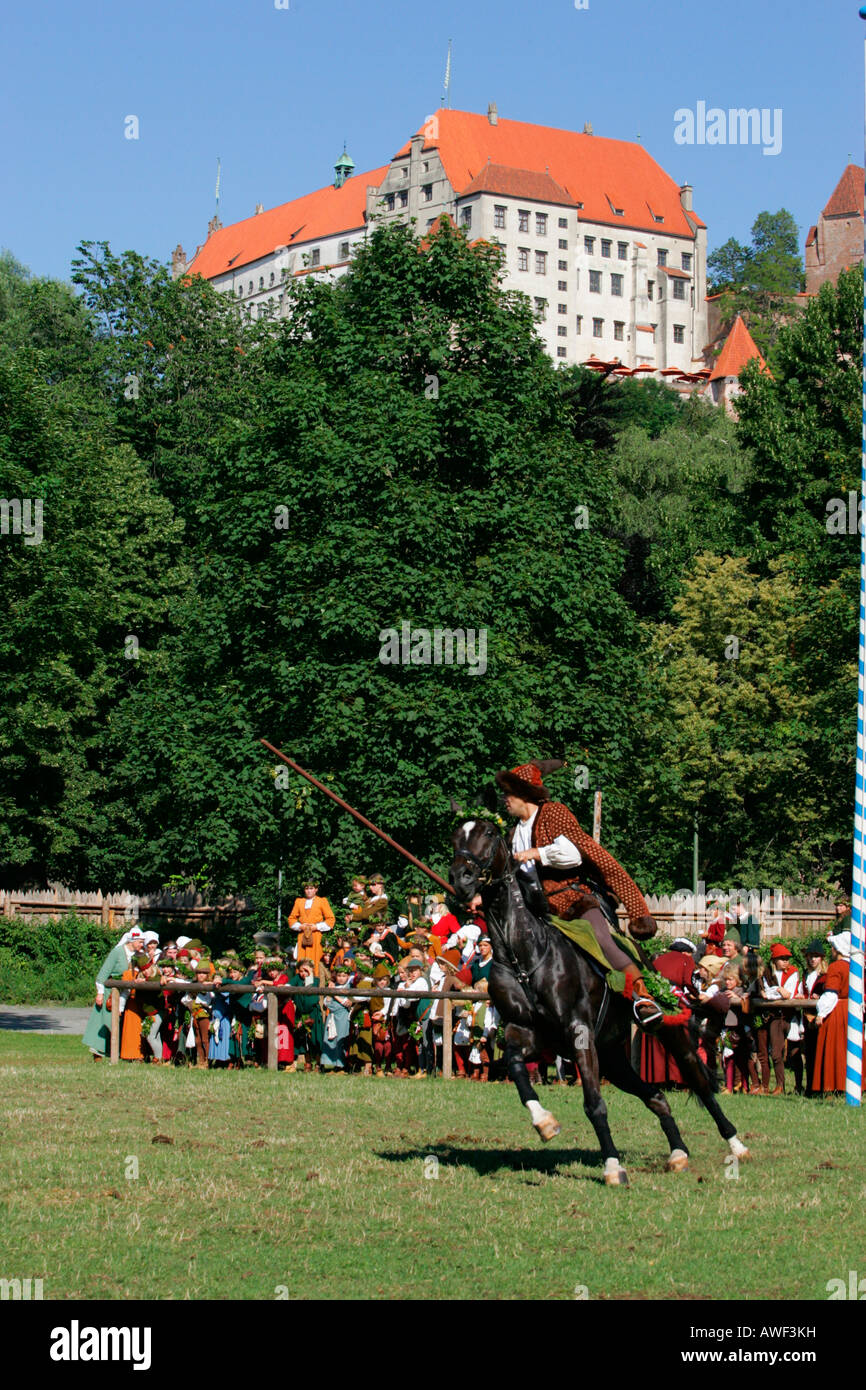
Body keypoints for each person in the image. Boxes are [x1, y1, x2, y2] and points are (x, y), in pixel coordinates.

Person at [491, 758, 663, 1026]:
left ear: (524, 794)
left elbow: (573, 854)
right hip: (538, 910)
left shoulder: (553, 813)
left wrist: (537, 853)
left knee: (602, 941)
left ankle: (643, 997)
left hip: (573, 900)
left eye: (508, 793)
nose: (504, 799)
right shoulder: (514, 833)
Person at [82, 927, 146, 1059]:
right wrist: (100, 993)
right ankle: (98, 1054)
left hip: (124, 993)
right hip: (110, 992)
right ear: (132, 941)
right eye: (140, 941)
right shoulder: (117, 952)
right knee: (105, 1022)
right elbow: (103, 973)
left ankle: (114, 1053)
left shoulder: (135, 956)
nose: (141, 945)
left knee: (118, 1023)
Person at [813, 930, 862, 1095]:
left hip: (838, 1010)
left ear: (838, 949)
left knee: (836, 1048)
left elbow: (831, 993)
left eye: (833, 947)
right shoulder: (857, 967)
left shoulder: (836, 967)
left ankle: (834, 1084)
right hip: (853, 1011)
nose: (831, 950)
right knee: (851, 1048)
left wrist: (821, 1013)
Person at [754, 944, 799, 1095]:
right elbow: (768, 993)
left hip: (791, 1016)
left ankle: (799, 1086)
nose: (785, 961)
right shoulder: (767, 973)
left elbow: (788, 994)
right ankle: (780, 1085)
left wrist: (779, 991)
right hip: (776, 1017)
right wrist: (779, 990)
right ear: (774, 960)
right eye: (782, 959)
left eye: (787, 959)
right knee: (776, 1054)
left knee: (795, 1052)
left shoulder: (793, 972)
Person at [801, 939, 827, 1096]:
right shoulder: (806, 975)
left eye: (816, 956)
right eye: (810, 956)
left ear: (821, 958)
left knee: (820, 1053)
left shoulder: (825, 976)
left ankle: (821, 1087)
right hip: (807, 1017)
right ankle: (810, 1087)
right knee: (809, 1054)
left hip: (820, 1018)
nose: (812, 959)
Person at [320, 965, 353, 1071]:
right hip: (332, 1016)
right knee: (330, 1039)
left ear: (348, 976)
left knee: (341, 1039)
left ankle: (341, 1064)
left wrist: (335, 994)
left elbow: (347, 1002)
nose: (341, 978)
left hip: (343, 1016)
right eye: (339, 975)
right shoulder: (333, 987)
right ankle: (328, 1062)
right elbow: (327, 1002)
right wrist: (331, 994)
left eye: (344, 976)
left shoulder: (349, 988)